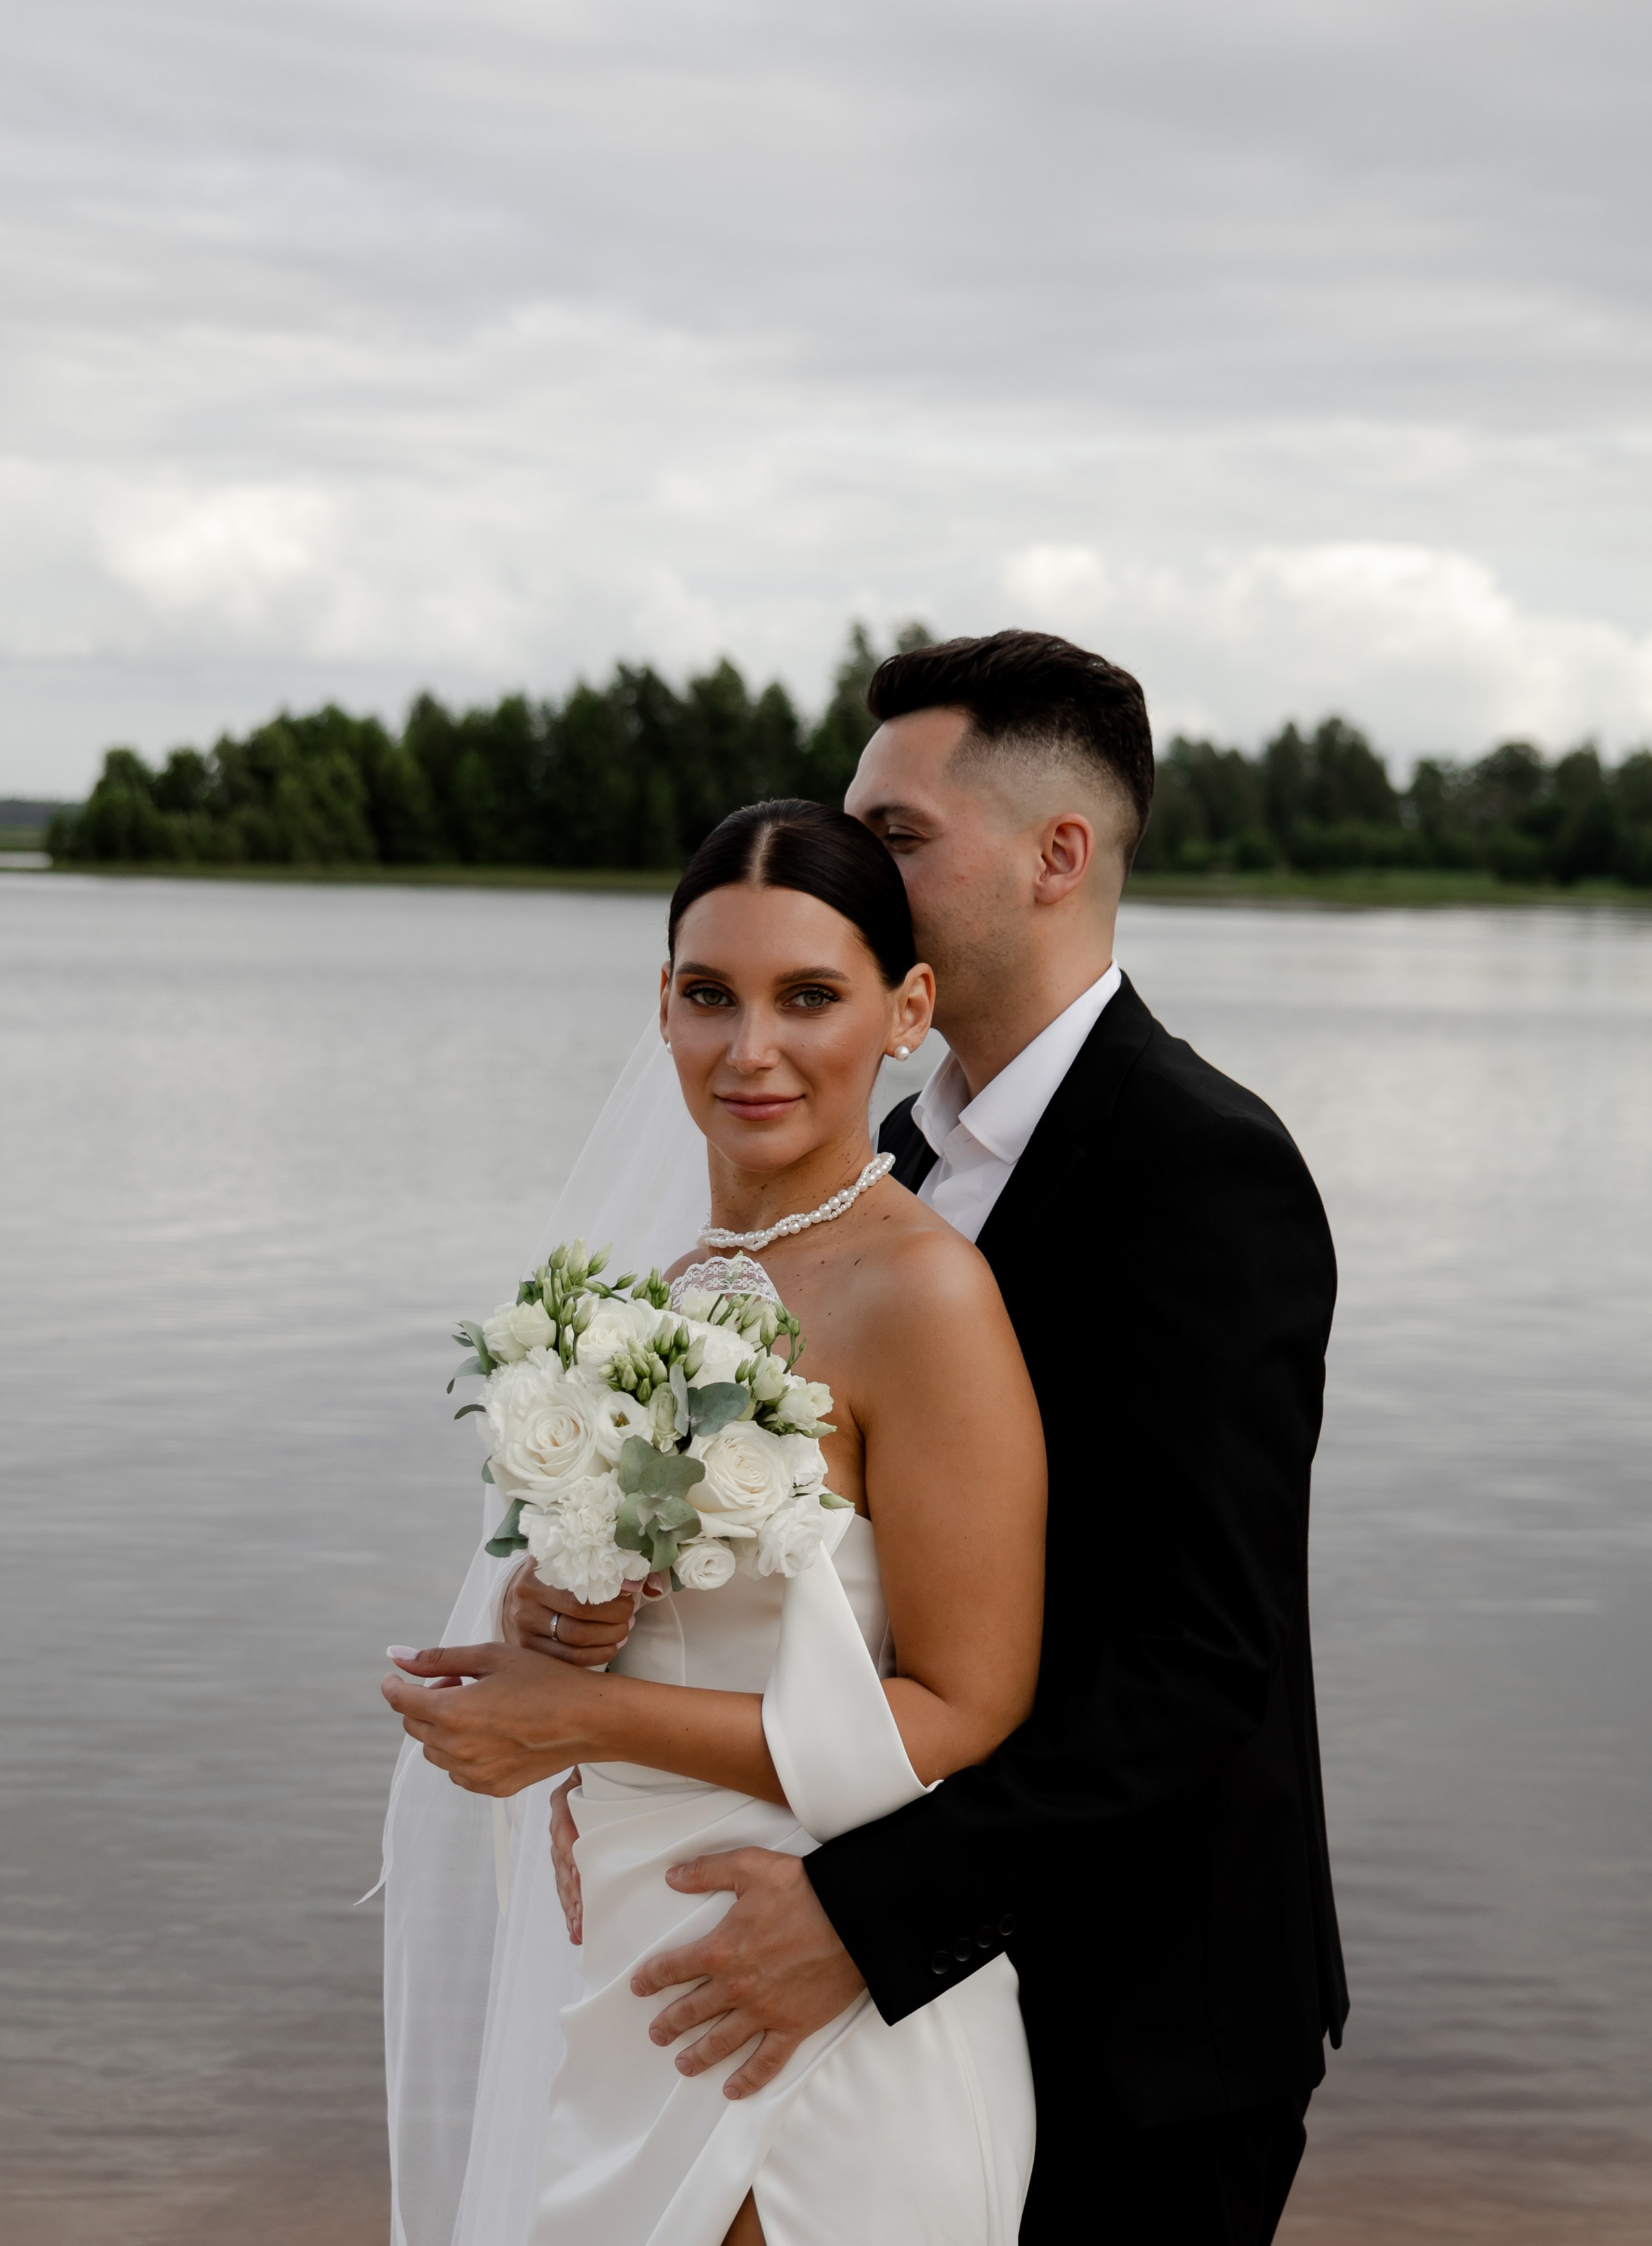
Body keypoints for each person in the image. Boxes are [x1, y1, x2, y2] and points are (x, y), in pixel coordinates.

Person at [525, 631, 1349, 2244]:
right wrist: (606, 1687)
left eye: (899, 836)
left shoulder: (1203, 1171)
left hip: (1135, 2024)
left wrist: (859, 1918)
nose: (863, 871)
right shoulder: (881, 1157)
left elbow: (1193, 1664)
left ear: (1058, 856)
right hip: (855, 1983)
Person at [383, 798, 1048, 2245]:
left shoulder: (923, 1297)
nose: (751, 1050)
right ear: (662, 1013)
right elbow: (677, 1616)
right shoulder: (657, 1293)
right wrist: (554, 1620)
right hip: (635, 1951)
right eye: (709, 996)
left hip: (823, 1971)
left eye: (808, 997)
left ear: (903, 1012)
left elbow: (962, 1705)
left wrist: (580, 1724)